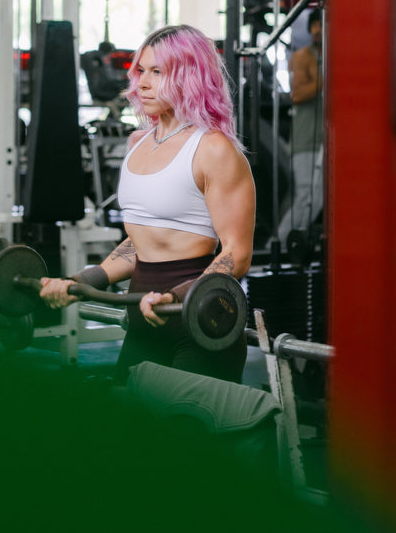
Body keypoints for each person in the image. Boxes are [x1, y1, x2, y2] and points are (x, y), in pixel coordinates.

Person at [40, 24, 256, 385]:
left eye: (158, 72)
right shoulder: (138, 142)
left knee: (184, 439)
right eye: (142, 70)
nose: (142, 83)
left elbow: (237, 253)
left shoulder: (214, 149)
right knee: (132, 435)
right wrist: (79, 281)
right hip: (143, 316)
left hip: (200, 319)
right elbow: (139, 242)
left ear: (190, 76)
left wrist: (172, 297)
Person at [277, 7, 324, 246]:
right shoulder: (302, 57)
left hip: (329, 141)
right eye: (314, 25)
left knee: (320, 198)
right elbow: (296, 94)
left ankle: (296, 244)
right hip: (306, 139)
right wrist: (327, 76)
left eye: (322, 24)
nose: (318, 30)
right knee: (306, 194)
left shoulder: (332, 57)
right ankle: (284, 243)